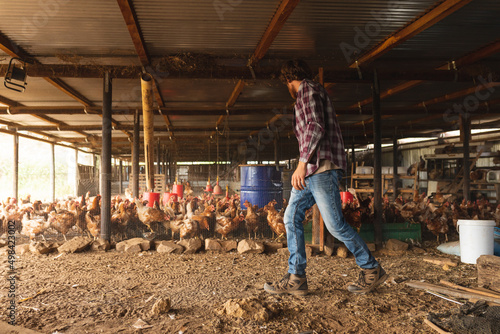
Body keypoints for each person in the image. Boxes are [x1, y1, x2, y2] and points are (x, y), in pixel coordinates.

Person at [263, 59, 387, 296]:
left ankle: (372, 269)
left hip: (320, 168)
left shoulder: (307, 89)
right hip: (311, 170)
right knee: (290, 218)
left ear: (289, 80)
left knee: (335, 225)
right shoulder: (311, 93)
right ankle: (296, 277)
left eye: (286, 84)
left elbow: (315, 126)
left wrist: (301, 165)